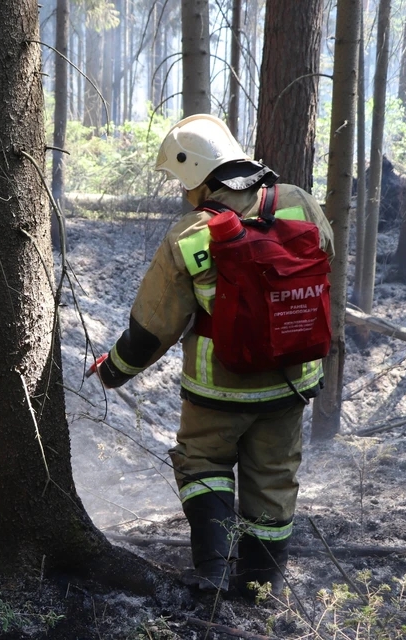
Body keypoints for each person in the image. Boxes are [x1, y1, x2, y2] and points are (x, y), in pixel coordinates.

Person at [88, 114, 333, 598]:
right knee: (274, 480)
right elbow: (320, 262)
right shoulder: (300, 202)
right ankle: (261, 587)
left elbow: (152, 328)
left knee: (202, 465)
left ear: (195, 176)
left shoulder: (191, 235)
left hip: (218, 390)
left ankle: (214, 575)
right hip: (290, 380)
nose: (183, 194)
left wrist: (114, 369)